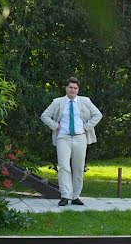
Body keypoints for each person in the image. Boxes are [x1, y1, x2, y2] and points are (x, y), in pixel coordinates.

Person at [40, 77, 103, 206]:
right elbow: (44, 116)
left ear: (78, 89)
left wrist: (86, 127)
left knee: (78, 168)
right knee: (64, 167)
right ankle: (65, 196)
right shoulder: (58, 102)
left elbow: (98, 115)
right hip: (64, 137)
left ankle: (75, 196)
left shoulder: (85, 101)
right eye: (70, 87)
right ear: (66, 88)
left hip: (80, 138)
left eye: (75, 88)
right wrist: (55, 126)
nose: (73, 90)